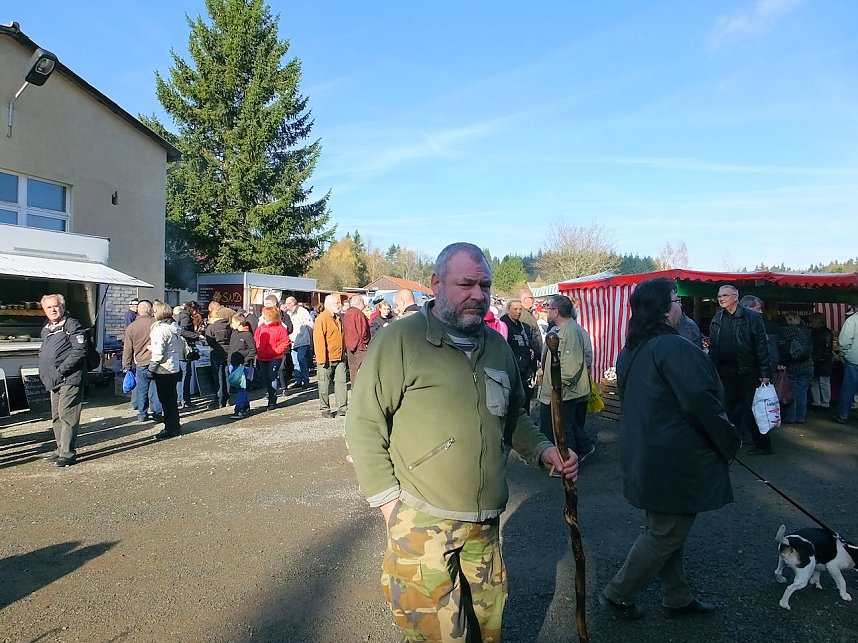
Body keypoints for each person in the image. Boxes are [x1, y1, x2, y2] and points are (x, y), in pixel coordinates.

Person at [345, 242, 578, 641]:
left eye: (484, 285)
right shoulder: (400, 341)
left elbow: (514, 416)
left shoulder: (498, 347)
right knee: (434, 636)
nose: (478, 294)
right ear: (436, 284)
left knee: (488, 629)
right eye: (466, 284)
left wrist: (543, 451)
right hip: (421, 523)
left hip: (484, 525)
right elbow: (364, 422)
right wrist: (388, 504)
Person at [600, 277, 738, 620]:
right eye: (675, 300)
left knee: (664, 528)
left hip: (647, 454)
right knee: (665, 532)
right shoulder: (674, 347)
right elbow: (703, 403)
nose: (680, 305)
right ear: (663, 310)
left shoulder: (631, 347)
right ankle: (618, 594)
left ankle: (677, 596)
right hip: (670, 458)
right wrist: (728, 441)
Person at [708, 285, 772, 454]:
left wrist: (765, 373)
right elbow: (714, 346)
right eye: (719, 295)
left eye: (725, 295)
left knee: (754, 410)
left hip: (748, 371)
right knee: (726, 409)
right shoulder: (717, 318)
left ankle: (763, 445)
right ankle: (730, 443)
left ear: (735, 297)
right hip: (724, 371)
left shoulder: (751, 317)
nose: (721, 298)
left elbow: (761, 345)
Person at [537, 295, 596, 462]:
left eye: (549, 308)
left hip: (565, 391)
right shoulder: (562, 330)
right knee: (566, 426)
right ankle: (581, 449)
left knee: (565, 429)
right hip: (561, 390)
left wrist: (558, 387)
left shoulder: (569, 332)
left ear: (556, 311)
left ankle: (568, 463)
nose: (546, 310)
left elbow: (571, 367)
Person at [38, 294, 87, 467]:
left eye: (55, 306)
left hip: (69, 378)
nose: (52, 310)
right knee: (57, 416)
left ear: (62, 307)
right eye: (48, 307)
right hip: (54, 379)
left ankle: (67, 453)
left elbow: (80, 351)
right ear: (44, 310)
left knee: (67, 415)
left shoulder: (72, 324)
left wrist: (61, 370)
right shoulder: (48, 327)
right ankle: (60, 449)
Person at [147, 302, 184, 440]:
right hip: (174, 367)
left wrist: (151, 368)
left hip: (163, 369)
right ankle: (175, 425)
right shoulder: (174, 326)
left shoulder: (160, 329)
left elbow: (158, 352)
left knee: (165, 400)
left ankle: (169, 428)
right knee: (172, 399)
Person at [122, 300, 163, 422]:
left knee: (142, 388)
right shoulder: (156, 323)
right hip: (156, 360)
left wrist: (126, 365)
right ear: (150, 310)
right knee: (156, 387)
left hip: (140, 362)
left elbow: (128, 349)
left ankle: (142, 414)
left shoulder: (131, 327)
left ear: (138, 311)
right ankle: (157, 412)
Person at [500, 299, 537, 412]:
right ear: (508, 310)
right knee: (514, 400)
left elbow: (529, 343)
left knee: (525, 398)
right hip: (513, 369)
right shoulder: (503, 325)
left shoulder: (523, 326)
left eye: (520, 309)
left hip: (526, 369)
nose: (518, 312)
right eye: (515, 309)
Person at [313, 294, 347, 418]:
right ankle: (325, 409)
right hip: (326, 359)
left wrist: (344, 353)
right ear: (328, 305)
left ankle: (342, 408)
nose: (340, 305)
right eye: (337, 303)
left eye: (339, 303)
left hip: (340, 357)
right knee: (324, 385)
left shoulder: (339, 318)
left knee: (341, 383)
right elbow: (319, 340)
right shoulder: (321, 319)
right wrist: (322, 360)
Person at [778, 313, 814, 424]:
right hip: (808, 365)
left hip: (793, 365)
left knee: (792, 393)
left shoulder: (786, 331)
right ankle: (801, 417)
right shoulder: (807, 331)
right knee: (802, 392)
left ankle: (791, 417)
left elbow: (782, 347)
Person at [253, 306, 291, 411]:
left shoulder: (280, 328)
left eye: (265, 314)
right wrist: (258, 350)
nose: (263, 316)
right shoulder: (261, 327)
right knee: (266, 378)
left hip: (275, 357)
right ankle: (271, 396)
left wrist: (277, 351)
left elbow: (285, 342)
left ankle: (272, 401)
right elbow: (256, 339)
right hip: (262, 357)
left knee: (272, 377)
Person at [228, 313, 257, 418]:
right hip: (233, 364)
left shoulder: (247, 335)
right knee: (239, 387)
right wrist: (229, 361)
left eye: (233, 322)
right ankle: (245, 405)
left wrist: (245, 361)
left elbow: (253, 349)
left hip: (242, 365)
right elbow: (231, 348)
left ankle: (239, 409)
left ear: (239, 322)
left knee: (241, 387)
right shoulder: (234, 334)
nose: (231, 324)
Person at [204, 306, 233, 409]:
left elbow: (209, 341)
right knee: (227, 376)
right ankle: (228, 398)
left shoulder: (211, 327)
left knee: (218, 377)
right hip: (228, 353)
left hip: (216, 353)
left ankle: (220, 400)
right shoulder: (229, 325)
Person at [834, 304, 858, 424]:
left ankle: (842, 415)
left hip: (854, 359)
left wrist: (845, 354)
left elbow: (844, 341)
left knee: (848, 389)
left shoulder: (852, 320)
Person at [284, 296, 313, 389]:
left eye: (288, 303)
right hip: (292, 340)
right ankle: (298, 380)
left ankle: (306, 380)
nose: (286, 305)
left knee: (301, 359)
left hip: (302, 339)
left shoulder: (302, 311)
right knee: (295, 362)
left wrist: (309, 337)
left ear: (292, 303)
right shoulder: (287, 314)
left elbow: (310, 324)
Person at [343, 294, 371, 388]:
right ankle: (361, 392)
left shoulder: (348, 313)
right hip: (359, 347)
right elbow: (363, 331)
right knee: (362, 370)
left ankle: (354, 391)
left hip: (350, 346)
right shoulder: (358, 313)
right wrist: (366, 342)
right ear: (360, 303)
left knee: (353, 370)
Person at [809, 312, 833, 410]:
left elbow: (826, 349)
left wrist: (816, 358)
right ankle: (821, 402)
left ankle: (821, 402)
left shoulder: (823, 332)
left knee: (821, 382)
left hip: (822, 361)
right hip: (822, 360)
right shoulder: (825, 332)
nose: (811, 323)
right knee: (820, 382)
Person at [518, 287, 544, 357]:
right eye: (531, 298)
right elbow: (527, 337)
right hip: (531, 355)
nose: (533, 300)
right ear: (525, 299)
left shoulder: (527, 313)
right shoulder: (523, 315)